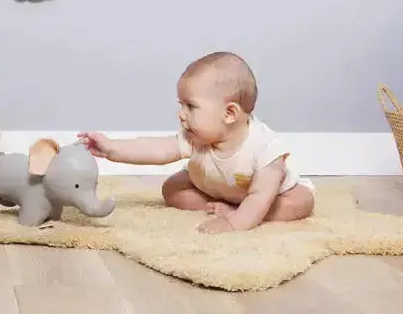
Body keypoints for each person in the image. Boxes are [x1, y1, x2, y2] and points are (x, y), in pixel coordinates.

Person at [77, 51, 315, 234]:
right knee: (172, 189)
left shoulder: (265, 149)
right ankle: (218, 205)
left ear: (229, 113)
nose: (181, 114)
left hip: (265, 194)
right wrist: (111, 148)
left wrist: (233, 223)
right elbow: (157, 149)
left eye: (190, 106)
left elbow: (261, 195)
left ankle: (243, 211)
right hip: (218, 187)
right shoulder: (196, 137)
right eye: (181, 105)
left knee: (301, 202)